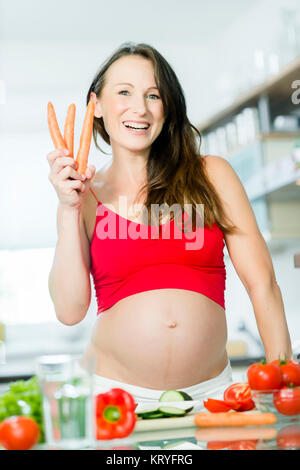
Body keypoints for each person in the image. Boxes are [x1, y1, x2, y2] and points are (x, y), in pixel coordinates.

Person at [47, 42, 292, 410]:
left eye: (153, 95)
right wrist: (68, 209)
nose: (140, 108)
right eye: (124, 92)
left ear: (168, 107)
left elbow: (263, 284)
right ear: (96, 105)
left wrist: (283, 377)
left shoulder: (212, 175)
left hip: (213, 396)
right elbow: (69, 311)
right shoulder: (83, 197)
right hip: (114, 397)